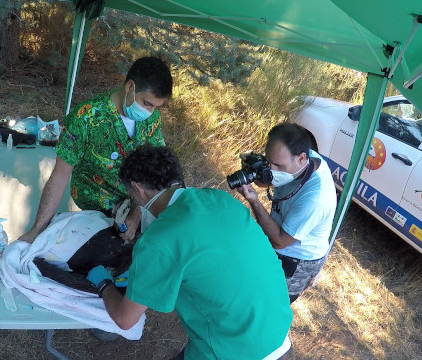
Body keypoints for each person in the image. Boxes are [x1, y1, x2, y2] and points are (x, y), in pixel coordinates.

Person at [86, 145, 293, 359]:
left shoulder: (158, 240)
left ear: (138, 188)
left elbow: (124, 319)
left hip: (233, 350)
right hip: (276, 332)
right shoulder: (219, 198)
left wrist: (103, 283)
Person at [18, 56, 173, 243]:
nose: (149, 112)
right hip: (95, 205)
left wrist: (136, 212)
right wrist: (37, 229)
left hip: (137, 201)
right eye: (147, 103)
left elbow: (154, 171)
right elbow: (60, 175)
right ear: (130, 87)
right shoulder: (87, 117)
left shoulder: (151, 119)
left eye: (156, 107)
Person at [235, 122, 337, 303]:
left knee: (271, 302)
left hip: (296, 259)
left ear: (301, 158)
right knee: (252, 286)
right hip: (279, 237)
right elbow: (269, 181)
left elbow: (281, 241)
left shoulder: (315, 199)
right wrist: (255, 170)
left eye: (278, 166)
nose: (272, 171)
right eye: (269, 163)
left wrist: (255, 202)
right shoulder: (304, 159)